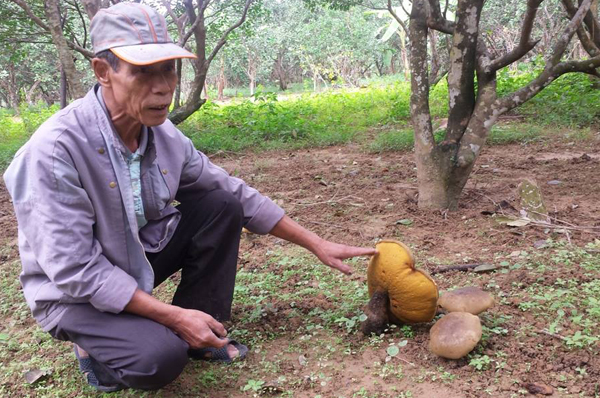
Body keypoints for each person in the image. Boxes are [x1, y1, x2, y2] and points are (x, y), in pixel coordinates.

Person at [2, 2, 376, 392]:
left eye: (169, 68)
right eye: (144, 72)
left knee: (221, 204)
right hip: (72, 295)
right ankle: (94, 345)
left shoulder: (163, 135)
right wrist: (173, 318)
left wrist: (316, 244)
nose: (163, 86)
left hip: (131, 263)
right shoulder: (55, 150)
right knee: (157, 359)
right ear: (103, 72)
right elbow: (76, 270)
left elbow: (231, 191)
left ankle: (204, 326)